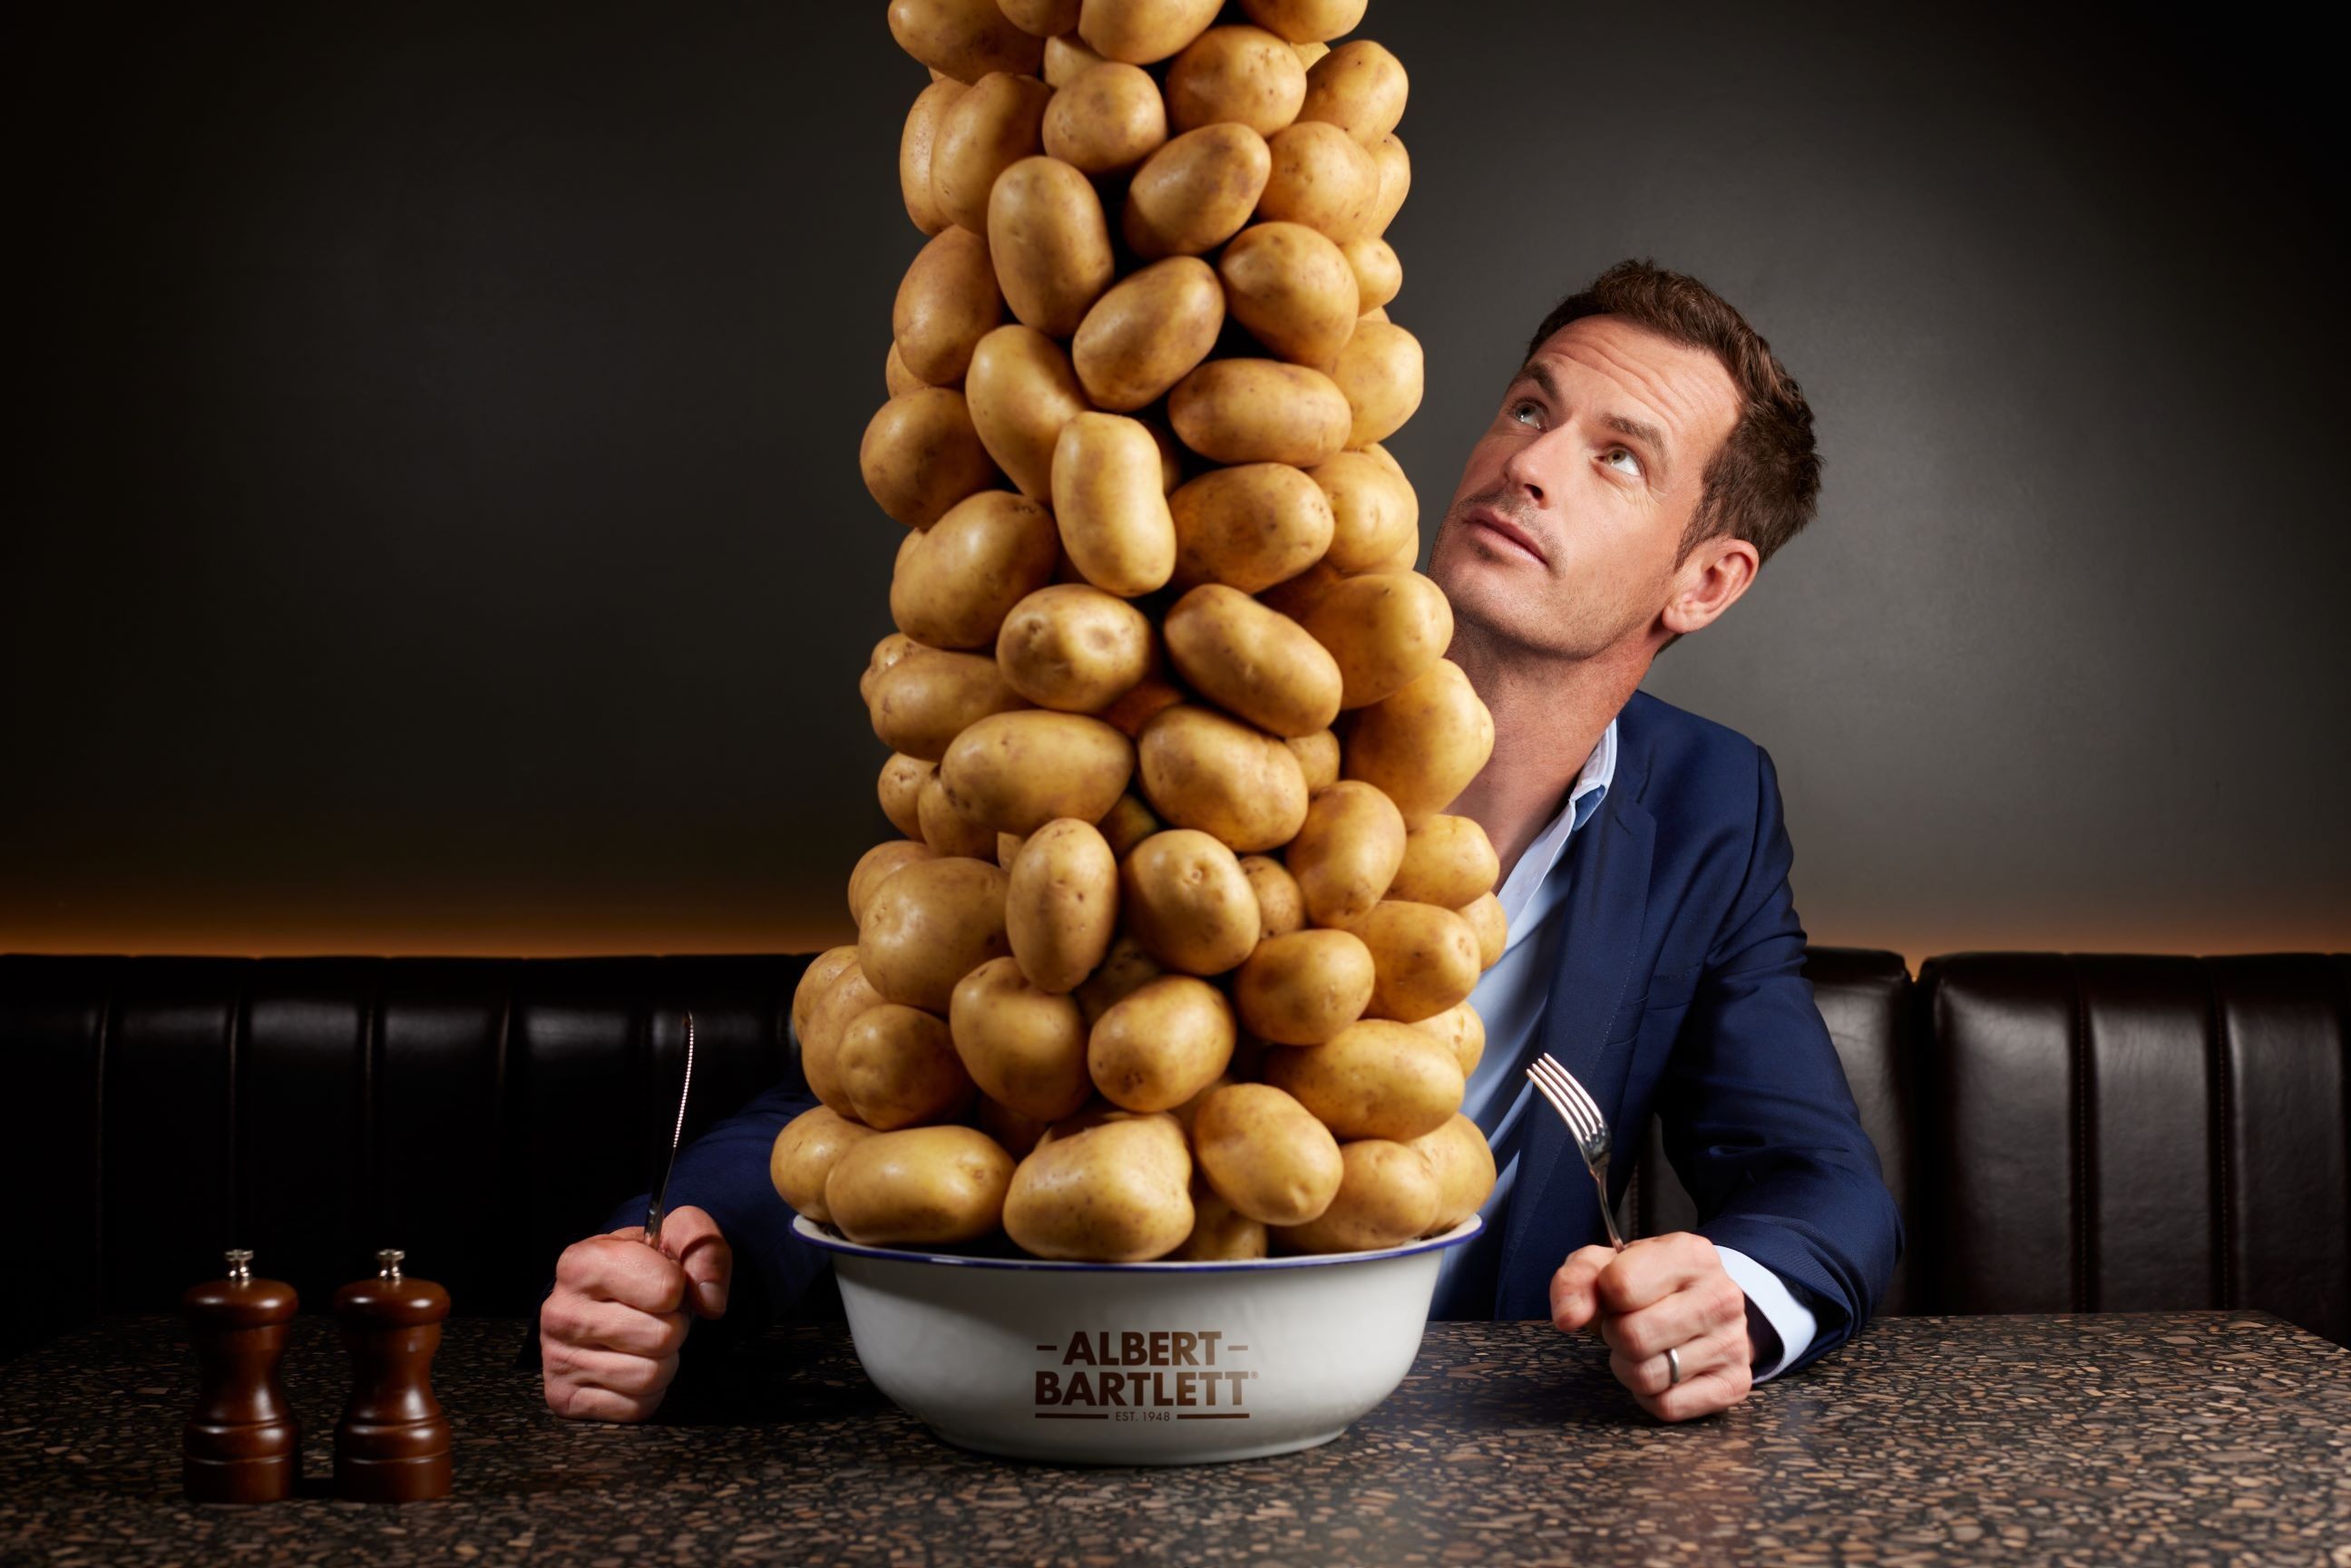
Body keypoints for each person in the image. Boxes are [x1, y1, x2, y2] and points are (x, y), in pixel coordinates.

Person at [536, 258, 1902, 1427]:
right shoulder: (1211, 693)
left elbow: (1819, 1183)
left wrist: (1733, 1296)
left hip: (1450, 1454)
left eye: (1619, 455)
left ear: (1706, 579)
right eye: (1530, 406)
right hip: (1079, 1409)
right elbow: (896, 1079)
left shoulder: (1710, 805)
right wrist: (683, 1250)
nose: (1531, 463)